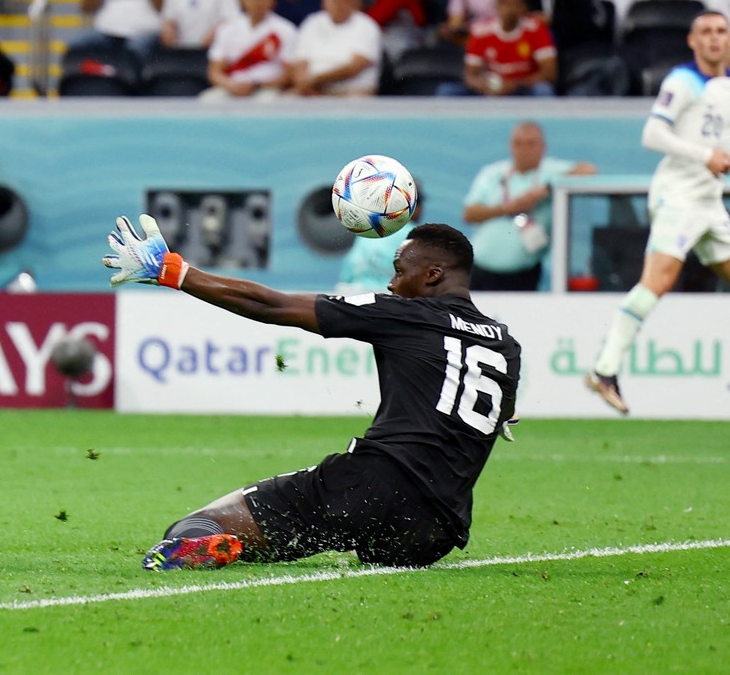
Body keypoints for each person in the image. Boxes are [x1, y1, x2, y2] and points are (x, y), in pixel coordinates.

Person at [103, 217, 520, 571]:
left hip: (370, 489)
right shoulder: (506, 345)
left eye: (399, 270)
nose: (392, 284)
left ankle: (210, 543)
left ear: (432, 274)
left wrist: (176, 273)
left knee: (198, 525)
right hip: (435, 532)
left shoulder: (405, 313)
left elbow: (273, 306)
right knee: (363, 532)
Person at [588, 11, 730, 414]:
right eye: (706, 32)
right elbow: (652, 133)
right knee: (659, 281)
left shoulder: (726, 85)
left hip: (709, 201)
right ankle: (605, 368)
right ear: (692, 41)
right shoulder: (682, 81)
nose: (714, 38)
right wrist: (705, 156)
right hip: (679, 196)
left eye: (721, 31)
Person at [463, 121, 597, 290]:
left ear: (543, 147)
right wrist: (507, 209)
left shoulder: (551, 170)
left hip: (523, 272)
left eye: (531, 144)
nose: (524, 150)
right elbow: (469, 213)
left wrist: (545, 189)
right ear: (511, 146)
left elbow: (589, 170)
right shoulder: (492, 173)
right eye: (519, 144)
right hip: (480, 268)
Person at [445, 0, 559, 98]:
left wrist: (516, 84)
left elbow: (550, 73)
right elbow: (470, 76)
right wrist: (484, 85)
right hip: (491, 89)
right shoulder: (481, 31)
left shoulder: (536, 28)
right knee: (448, 90)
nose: (510, 9)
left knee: (543, 90)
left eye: (516, 4)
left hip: (523, 88)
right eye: (505, 3)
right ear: (497, 5)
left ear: (525, 7)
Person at [203, 0, 295, 99]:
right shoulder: (227, 29)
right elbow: (214, 72)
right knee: (209, 100)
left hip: (267, 89)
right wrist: (230, 85)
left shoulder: (286, 30)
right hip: (232, 87)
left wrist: (258, 85)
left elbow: (290, 74)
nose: (257, 1)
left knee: (268, 102)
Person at [289, 0, 381, 96]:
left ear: (356, 3)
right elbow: (300, 62)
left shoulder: (367, 26)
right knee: (284, 101)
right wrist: (303, 84)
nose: (340, 5)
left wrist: (314, 80)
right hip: (311, 90)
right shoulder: (312, 22)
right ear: (324, 3)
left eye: (346, 0)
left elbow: (354, 68)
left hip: (351, 91)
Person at [336, 186, 423, 295]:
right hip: (388, 298)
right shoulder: (413, 234)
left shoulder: (368, 230)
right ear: (414, 208)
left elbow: (347, 274)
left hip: (353, 294)